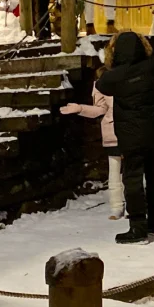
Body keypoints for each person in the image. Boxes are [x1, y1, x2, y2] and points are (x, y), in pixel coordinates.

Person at [94, 31, 154, 243]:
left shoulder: (114, 76)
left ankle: (138, 227)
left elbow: (102, 85)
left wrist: (116, 66)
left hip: (130, 136)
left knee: (133, 181)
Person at [60, 83, 124, 220]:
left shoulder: (129, 75)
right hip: (112, 132)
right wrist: (80, 108)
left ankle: (134, 205)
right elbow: (100, 109)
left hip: (131, 131)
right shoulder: (102, 82)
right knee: (114, 171)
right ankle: (117, 207)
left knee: (132, 171)